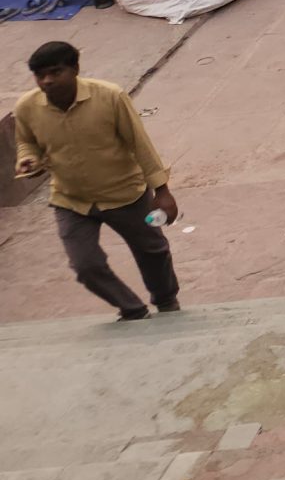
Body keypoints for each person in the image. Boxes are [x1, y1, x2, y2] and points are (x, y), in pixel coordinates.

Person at [14, 42, 183, 322]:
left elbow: (140, 144)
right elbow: (26, 142)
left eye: (55, 72)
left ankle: (166, 302)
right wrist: (27, 160)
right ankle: (132, 310)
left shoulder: (110, 97)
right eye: (40, 75)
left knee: (153, 251)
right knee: (85, 265)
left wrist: (162, 191)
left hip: (125, 195)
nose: (47, 81)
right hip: (71, 200)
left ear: (75, 69)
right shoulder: (27, 107)